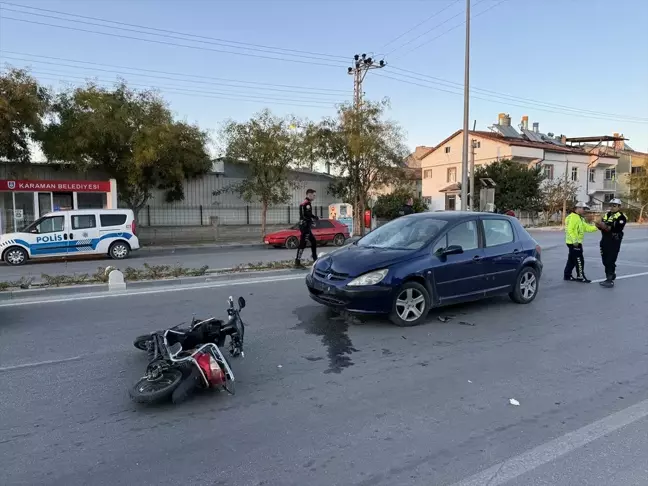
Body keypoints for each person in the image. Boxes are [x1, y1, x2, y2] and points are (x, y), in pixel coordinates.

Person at [564, 202, 598, 283]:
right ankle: (580, 276)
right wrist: (575, 240)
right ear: (578, 208)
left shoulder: (579, 218)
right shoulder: (573, 217)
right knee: (579, 260)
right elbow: (570, 230)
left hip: (574, 242)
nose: (584, 210)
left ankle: (567, 275)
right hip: (574, 243)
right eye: (583, 208)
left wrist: (597, 227)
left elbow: (586, 228)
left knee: (572, 260)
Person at [596, 198, 627, 288]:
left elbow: (617, 228)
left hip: (614, 240)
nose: (612, 207)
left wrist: (604, 226)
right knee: (605, 260)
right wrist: (598, 225)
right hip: (605, 239)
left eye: (614, 205)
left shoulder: (621, 217)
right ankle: (612, 274)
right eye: (611, 205)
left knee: (610, 259)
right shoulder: (607, 215)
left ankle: (609, 279)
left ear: (619, 207)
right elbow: (602, 226)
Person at [294, 188, 319, 268]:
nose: (314, 197)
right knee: (303, 243)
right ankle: (297, 262)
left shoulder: (305, 203)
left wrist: (314, 217)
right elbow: (304, 216)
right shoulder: (306, 204)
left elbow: (308, 214)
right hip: (305, 226)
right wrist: (311, 221)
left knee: (313, 241)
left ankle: (315, 259)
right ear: (309, 194)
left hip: (305, 225)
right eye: (314, 195)